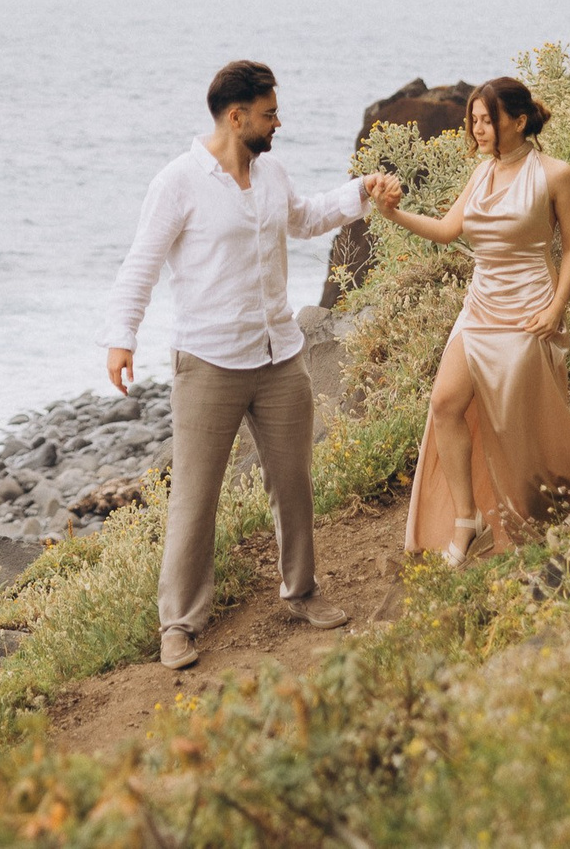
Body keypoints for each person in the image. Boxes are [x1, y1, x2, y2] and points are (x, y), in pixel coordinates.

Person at [102, 59, 373, 669]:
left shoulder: (272, 170)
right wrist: (122, 339)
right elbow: (141, 263)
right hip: (209, 363)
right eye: (270, 113)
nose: (279, 122)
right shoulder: (177, 182)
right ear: (236, 116)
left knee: (294, 484)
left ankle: (301, 592)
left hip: (280, 355)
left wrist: (361, 193)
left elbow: (302, 218)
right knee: (194, 497)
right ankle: (178, 624)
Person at [367, 76, 570, 565]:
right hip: (480, 306)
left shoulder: (555, 175)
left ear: (519, 121)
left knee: (515, 422)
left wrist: (556, 309)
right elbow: (447, 231)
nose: (477, 128)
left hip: (530, 307)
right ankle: (468, 518)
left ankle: (535, 505)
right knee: (444, 402)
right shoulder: (481, 175)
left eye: (487, 120)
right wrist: (392, 214)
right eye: (474, 120)